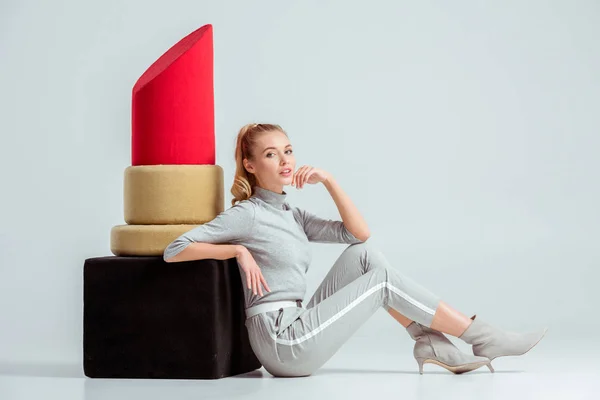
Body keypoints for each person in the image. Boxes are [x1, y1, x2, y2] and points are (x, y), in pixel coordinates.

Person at [163, 123, 547, 377]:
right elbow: (174, 250)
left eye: (288, 151)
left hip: (297, 324)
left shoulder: (291, 213)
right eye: (270, 154)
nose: (285, 161)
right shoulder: (247, 215)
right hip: (281, 342)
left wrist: (329, 180)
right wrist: (236, 252)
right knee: (380, 282)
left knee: (366, 258)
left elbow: (359, 234)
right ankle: (480, 334)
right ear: (249, 165)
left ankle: (431, 343)